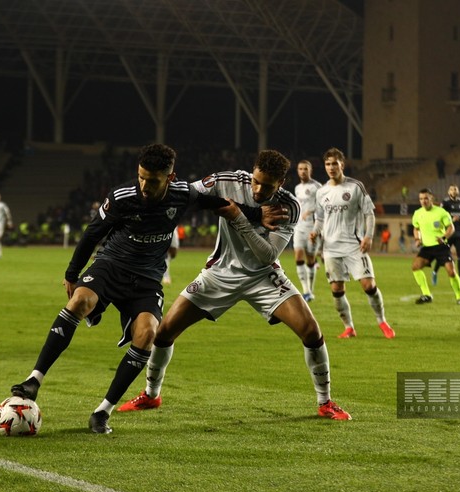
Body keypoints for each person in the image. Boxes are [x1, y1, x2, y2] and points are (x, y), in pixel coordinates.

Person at [8, 144, 281, 434]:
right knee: (80, 301)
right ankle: (34, 380)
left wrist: (255, 215)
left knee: (147, 334)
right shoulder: (122, 197)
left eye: (152, 180)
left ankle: (102, 412)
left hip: (148, 279)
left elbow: (220, 204)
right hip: (112, 265)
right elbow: (92, 234)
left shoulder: (183, 194)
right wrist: (72, 274)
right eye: (141, 177)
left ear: (170, 177)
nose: (144, 185)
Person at [118, 149, 352, 422]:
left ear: (281, 183)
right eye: (255, 180)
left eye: (267, 185)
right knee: (165, 331)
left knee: (311, 331)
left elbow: (267, 255)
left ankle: (325, 402)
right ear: (250, 173)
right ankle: (151, 394)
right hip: (219, 273)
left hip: (262, 276)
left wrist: (238, 217)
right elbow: (187, 195)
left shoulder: (288, 206)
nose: (258, 189)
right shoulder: (227, 181)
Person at [309, 148, 395, 340]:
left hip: (354, 245)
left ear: (342, 164)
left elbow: (369, 213)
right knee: (337, 290)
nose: (331, 167)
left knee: (369, 285)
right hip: (330, 249)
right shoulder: (322, 192)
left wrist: (369, 236)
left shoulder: (355, 187)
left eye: (334, 163)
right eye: (328, 164)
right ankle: (349, 327)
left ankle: (382, 321)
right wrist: (315, 231)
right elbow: (320, 218)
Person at [411, 188, 460, 305]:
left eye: (426, 198)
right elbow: (416, 228)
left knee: (451, 272)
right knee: (415, 266)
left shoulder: (441, 212)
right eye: (421, 199)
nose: (423, 201)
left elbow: (451, 228)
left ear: (431, 198)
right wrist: (417, 239)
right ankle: (426, 295)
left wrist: (444, 237)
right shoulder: (417, 214)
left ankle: (459, 298)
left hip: (441, 246)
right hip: (427, 247)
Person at [292, 159, 322, 302]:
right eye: (300, 168)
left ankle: (311, 289)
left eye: (305, 169)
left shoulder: (317, 187)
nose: (303, 171)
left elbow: (323, 206)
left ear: (310, 170)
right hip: (299, 227)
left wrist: (310, 211)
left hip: (312, 228)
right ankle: (306, 291)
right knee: (298, 256)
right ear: (297, 171)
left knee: (310, 259)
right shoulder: (297, 188)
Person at [432, 185, 460, 287]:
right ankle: (435, 273)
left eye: (456, 189)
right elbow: (440, 216)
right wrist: (451, 221)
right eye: (452, 189)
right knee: (443, 256)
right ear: (449, 192)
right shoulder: (445, 202)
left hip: (459, 234)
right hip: (448, 233)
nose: (454, 191)